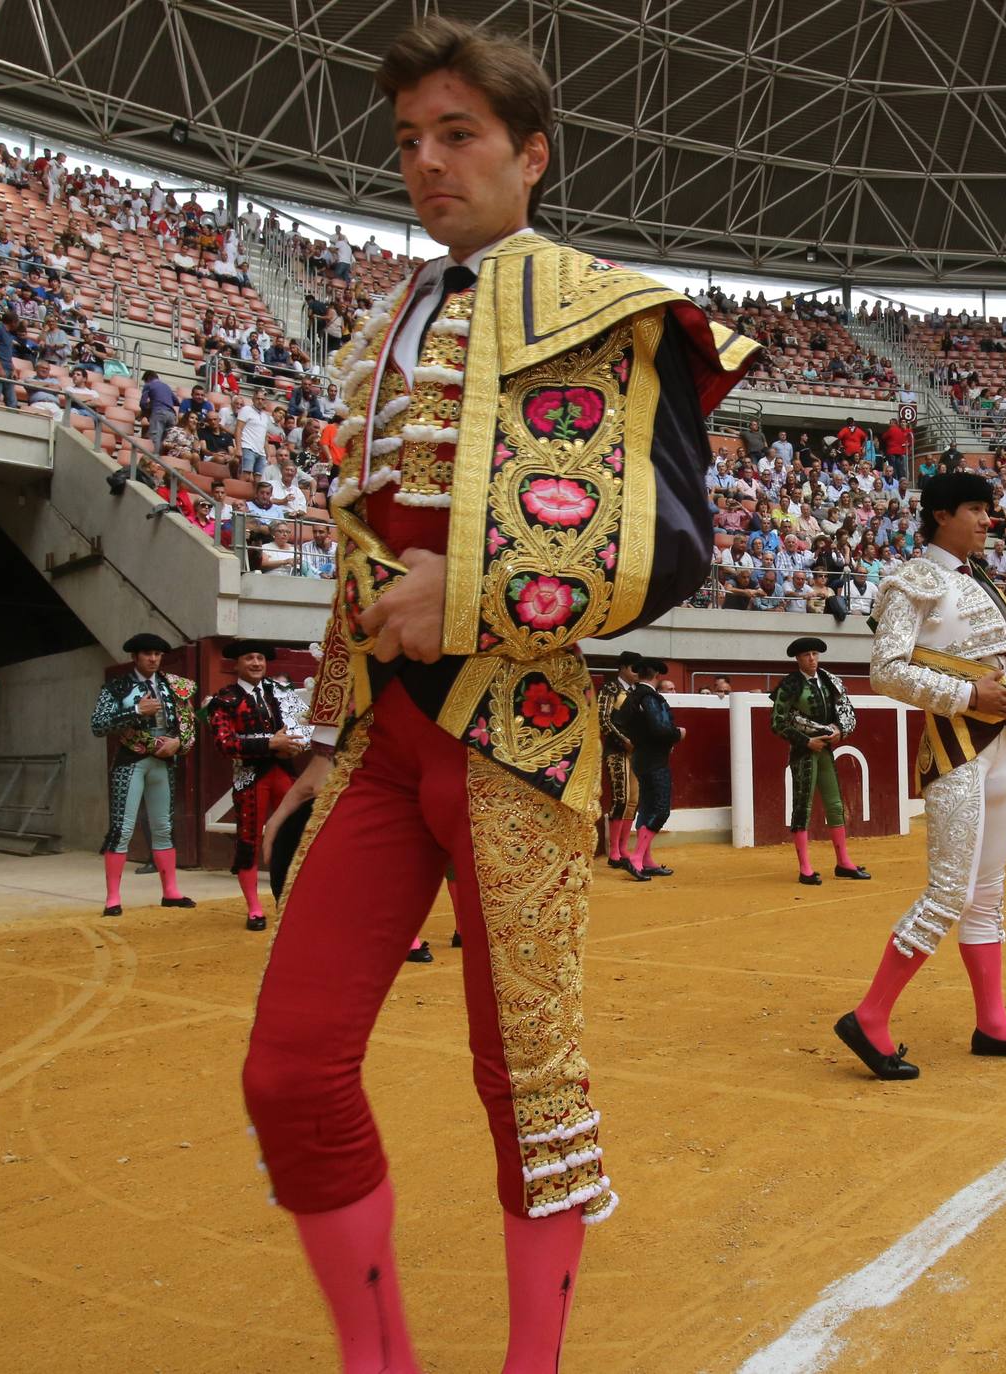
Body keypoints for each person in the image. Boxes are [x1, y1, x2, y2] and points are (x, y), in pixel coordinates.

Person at [239, 18, 762, 1374]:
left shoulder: (611, 308)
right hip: (379, 741)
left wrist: (463, 595)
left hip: (514, 735)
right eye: (407, 139)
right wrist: (323, 729)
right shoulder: (382, 322)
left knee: (528, 1085)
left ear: (532, 155)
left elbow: (674, 544)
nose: (424, 161)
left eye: (456, 133)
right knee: (290, 1071)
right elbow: (362, 556)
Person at [835, 470, 1006, 1083]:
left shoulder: (983, 582)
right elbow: (884, 671)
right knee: (950, 891)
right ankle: (870, 1016)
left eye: (989, 510)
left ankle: (993, 1022)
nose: (988, 520)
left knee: (987, 892)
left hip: (1000, 747)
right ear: (939, 515)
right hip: (955, 745)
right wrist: (968, 693)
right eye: (974, 509)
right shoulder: (913, 581)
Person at [90, 633, 200, 916]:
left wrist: (178, 743)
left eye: (158, 654)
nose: (153, 659)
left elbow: (188, 723)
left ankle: (171, 892)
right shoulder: (118, 687)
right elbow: (99, 724)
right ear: (134, 657)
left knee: (163, 827)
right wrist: (136, 710)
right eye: (148, 654)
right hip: (130, 761)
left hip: (163, 761)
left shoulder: (173, 685)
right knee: (122, 829)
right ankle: (112, 898)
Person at [206, 641, 308, 933]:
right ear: (236, 664)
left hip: (284, 772)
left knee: (297, 836)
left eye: (260, 658)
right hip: (250, 777)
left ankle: (295, 902)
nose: (255, 663)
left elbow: (306, 726)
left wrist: (293, 744)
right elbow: (225, 745)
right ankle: (254, 908)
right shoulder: (223, 700)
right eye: (249, 658)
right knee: (249, 840)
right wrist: (270, 743)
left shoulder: (280, 692)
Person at [769, 635, 869, 885]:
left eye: (815, 654)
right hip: (804, 752)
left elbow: (845, 711)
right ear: (797, 659)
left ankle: (843, 863)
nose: (812, 659)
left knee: (835, 804)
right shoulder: (790, 685)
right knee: (802, 807)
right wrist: (805, 742)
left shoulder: (828, 680)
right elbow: (777, 723)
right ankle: (805, 869)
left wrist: (838, 731)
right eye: (806, 655)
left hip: (825, 749)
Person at [620, 658, 684, 880]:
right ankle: (637, 858)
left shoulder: (630, 698)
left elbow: (618, 721)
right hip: (655, 759)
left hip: (639, 756)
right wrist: (677, 734)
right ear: (657, 675)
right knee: (660, 808)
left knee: (647, 806)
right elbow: (660, 728)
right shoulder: (650, 698)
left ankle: (646, 860)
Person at [595, 651, 640, 869]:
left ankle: (623, 848)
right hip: (617, 750)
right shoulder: (610, 688)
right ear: (622, 668)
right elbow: (602, 719)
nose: (637, 673)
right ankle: (614, 851)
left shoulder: (637, 692)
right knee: (621, 799)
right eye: (634, 669)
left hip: (636, 751)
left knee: (633, 800)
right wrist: (624, 741)